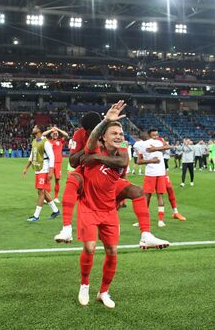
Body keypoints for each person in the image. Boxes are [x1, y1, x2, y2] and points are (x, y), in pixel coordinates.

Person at [54, 115, 169, 249]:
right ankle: (67, 228)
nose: (92, 133)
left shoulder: (120, 141)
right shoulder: (82, 135)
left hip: (107, 176)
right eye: (90, 131)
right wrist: (88, 151)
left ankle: (146, 235)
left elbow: (124, 161)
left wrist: (96, 157)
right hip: (87, 174)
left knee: (137, 191)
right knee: (73, 179)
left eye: (119, 133)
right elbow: (73, 161)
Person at [76, 100, 126, 309]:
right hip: (88, 206)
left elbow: (121, 163)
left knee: (112, 252)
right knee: (89, 247)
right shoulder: (94, 145)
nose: (118, 137)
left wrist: (96, 158)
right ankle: (85, 285)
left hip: (108, 210)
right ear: (104, 137)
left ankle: (103, 291)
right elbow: (92, 140)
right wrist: (106, 120)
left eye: (121, 134)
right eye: (113, 133)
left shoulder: (123, 153)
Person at [137, 129, 185, 227]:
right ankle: (143, 220)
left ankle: (172, 214)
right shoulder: (142, 144)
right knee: (148, 196)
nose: (156, 136)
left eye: (157, 134)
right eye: (154, 135)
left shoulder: (159, 141)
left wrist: (155, 149)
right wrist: (151, 160)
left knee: (167, 191)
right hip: (151, 173)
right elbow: (139, 161)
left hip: (161, 172)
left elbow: (167, 147)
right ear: (148, 135)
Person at [22, 125, 60, 221]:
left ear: (39, 130)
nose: (33, 129)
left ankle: (36, 216)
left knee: (40, 191)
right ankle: (55, 211)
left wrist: (51, 171)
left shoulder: (45, 142)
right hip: (38, 169)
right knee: (42, 191)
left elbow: (52, 156)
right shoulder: (34, 141)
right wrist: (26, 167)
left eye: (35, 128)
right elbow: (32, 155)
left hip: (44, 168)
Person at [43, 126, 69, 203]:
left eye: (56, 133)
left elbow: (66, 135)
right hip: (50, 163)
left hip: (58, 163)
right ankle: (46, 198)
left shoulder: (60, 141)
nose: (55, 134)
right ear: (51, 134)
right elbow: (43, 134)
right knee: (48, 180)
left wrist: (58, 129)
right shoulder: (47, 141)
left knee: (57, 180)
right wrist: (51, 130)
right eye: (53, 133)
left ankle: (56, 197)